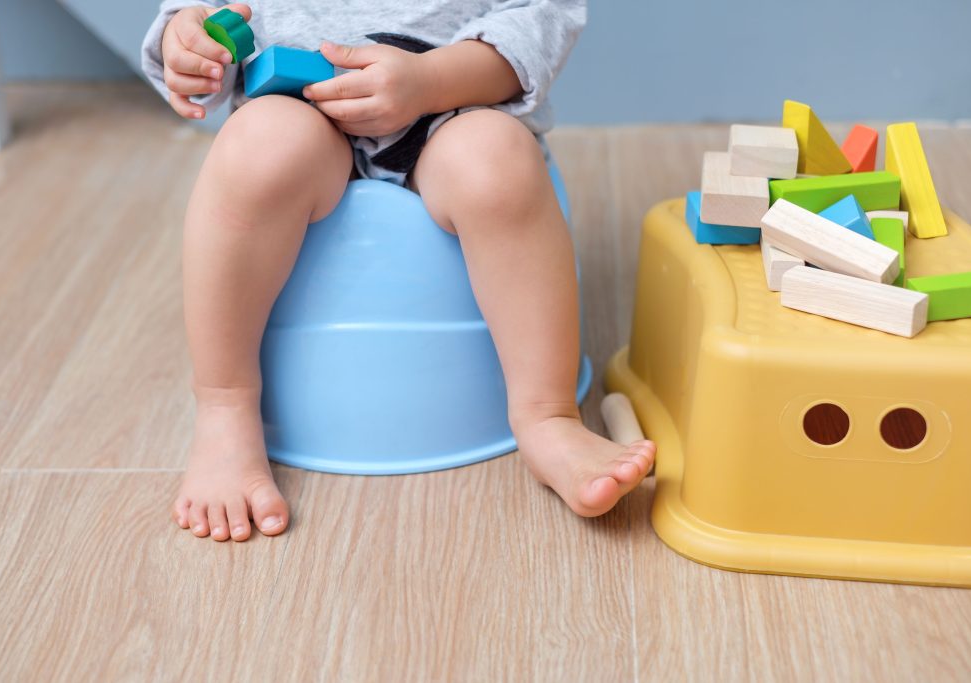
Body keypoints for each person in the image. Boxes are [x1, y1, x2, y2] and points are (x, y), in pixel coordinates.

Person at [141, 0, 656, 542]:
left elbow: (537, 17)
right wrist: (189, 43)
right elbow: (197, 20)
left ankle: (547, 416)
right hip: (293, 114)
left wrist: (434, 79)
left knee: (496, 162)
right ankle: (225, 404)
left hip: (455, 108)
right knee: (254, 153)